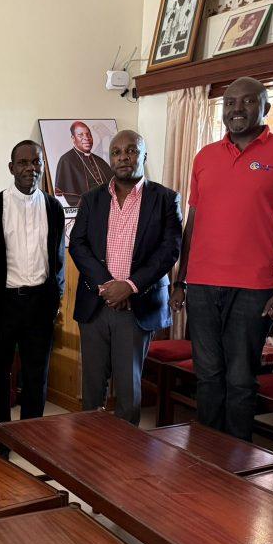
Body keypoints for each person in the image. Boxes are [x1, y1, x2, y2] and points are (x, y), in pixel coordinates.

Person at [171, 77, 273, 440]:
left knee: (239, 379)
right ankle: (207, 454)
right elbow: (193, 223)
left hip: (254, 288)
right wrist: (180, 280)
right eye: (230, 102)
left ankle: (236, 460)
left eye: (248, 101)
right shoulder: (205, 156)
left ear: (265, 107)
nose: (237, 109)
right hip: (202, 285)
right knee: (208, 375)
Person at [70, 130, 182, 425]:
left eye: (131, 150)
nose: (123, 157)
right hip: (96, 303)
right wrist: (108, 286)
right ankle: (90, 444)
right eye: (117, 152)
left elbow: (169, 250)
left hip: (138, 305)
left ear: (144, 156)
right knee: (92, 386)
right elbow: (78, 244)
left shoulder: (165, 199)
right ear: (110, 159)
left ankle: (125, 449)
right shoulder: (92, 199)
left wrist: (130, 286)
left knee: (129, 388)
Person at [0, 140, 65, 432]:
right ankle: (0, 435)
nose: (31, 168)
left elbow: (58, 260)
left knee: (36, 374)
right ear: (11, 167)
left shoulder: (54, 207)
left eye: (36, 162)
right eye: (23, 162)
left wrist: (56, 299)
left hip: (40, 302)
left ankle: (31, 435)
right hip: (3, 304)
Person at [53, 122, 114, 207]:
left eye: (89, 135)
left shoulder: (100, 161)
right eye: (81, 135)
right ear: (73, 138)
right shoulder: (66, 160)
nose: (87, 138)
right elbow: (66, 194)